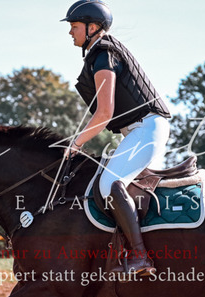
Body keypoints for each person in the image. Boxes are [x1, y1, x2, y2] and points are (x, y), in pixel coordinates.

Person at [61, 0, 171, 276]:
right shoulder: (99, 53)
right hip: (138, 130)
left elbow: (104, 113)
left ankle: (140, 257)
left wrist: (76, 143)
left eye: (74, 26)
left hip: (146, 128)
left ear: (93, 27)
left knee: (110, 184)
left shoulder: (104, 54)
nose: (70, 32)